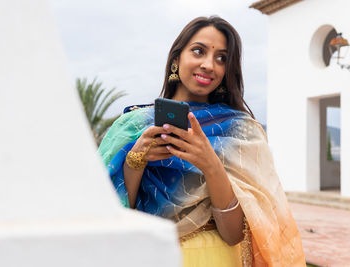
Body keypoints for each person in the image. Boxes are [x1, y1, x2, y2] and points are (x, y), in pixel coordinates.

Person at [98, 16, 305, 267]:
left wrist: (211, 165)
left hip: (215, 257)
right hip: (152, 255)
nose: (209, 65)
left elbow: (233, 235)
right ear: (177, 59)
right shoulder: (132, 126)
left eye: (221, 58)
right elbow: (107, 214)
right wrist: (135, 161)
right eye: (199, 51)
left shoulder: (240, 131)